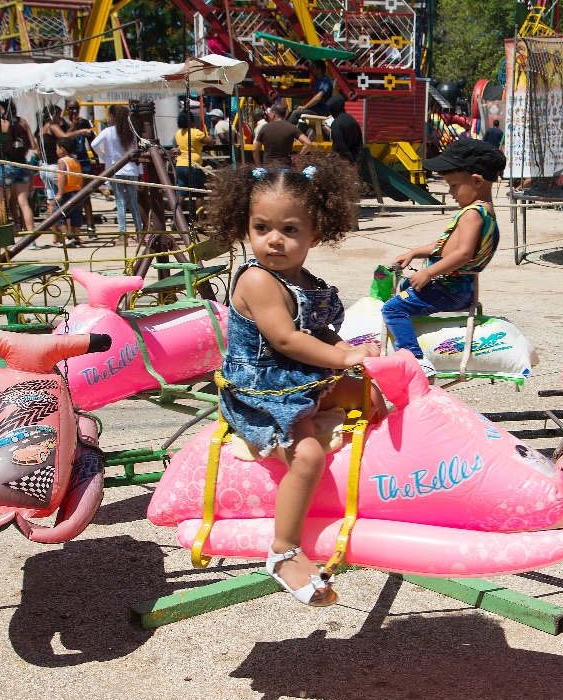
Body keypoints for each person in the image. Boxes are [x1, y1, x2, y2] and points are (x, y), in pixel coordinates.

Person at [202, 152, 385, 606]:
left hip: (302, 374)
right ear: (245, 228)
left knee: (378, 398)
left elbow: (318, 332)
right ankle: (283, 550)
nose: (274, 241)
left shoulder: (305, 280)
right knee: (305, 454)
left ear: (315, 233)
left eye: (290, 230)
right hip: (266, 388)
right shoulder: (257, 281)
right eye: (261, 228)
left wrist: (349, 353)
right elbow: (285, 340)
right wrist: (342, 359)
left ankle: (374, 500)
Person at [384, 139, 506, 378]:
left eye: (453, 185)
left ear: (476, 181)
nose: (450, 192)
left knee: (393, 309)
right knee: (408, 285)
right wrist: (414, 253)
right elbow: (448, 247)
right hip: (459, 290)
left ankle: (415, 359)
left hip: (449, 290)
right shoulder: (484, 210)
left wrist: (428, 272)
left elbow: (463, 253)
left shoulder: (472, 214)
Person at [91, 104, 144, 240]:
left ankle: (123, 232)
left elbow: (94, 144)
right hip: (132, 170)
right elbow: (136, 152)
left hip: (115, 169)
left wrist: (103, 157)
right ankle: (139, 231)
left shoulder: (108, 131)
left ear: (112, 116)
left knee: (120, 202)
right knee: (133, 203)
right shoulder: (131, 132)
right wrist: (141, 173)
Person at [0, 100, 36, 234]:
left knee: (3, 201)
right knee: (24, 202)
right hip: (22, 164)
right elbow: (33, 145)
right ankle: (30, 235)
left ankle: (3, 234)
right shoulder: (22, 122)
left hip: (5, 165)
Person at [65, 101, 97, 235]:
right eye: (71, 109)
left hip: (83, 160)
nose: (74, 111)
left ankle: (90, 224)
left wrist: (96, 157)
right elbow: (64, 139)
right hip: (69, 161)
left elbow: (93, 141)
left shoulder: (84, 122)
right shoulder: (63, 123)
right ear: (66, 109)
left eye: (76, 108)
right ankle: (72, 226)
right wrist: (74, 126)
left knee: (85, 194)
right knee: (69, 195)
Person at [254, 102, 312, 168]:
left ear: (273, 114)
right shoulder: (292, 128)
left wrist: (259, 166)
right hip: (286, 168)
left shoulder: (265, 128)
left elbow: (255, 150)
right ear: (285, 114)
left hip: (269, 168)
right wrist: (297, 156)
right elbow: (308, 144)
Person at [174, 108, 213, 200]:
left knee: (181, 194)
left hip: (180, 165)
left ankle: (177, 214)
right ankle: (200, 215)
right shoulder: (196, 133)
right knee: (199, 194)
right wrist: (211, 137)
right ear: (191, 121)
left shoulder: (178, 133)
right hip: (193, 165)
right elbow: (210, 143)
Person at [53, 138, 85, 248]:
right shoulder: (75, 161)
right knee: (76, 215)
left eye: (57, 148)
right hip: (77, 191)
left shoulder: (62, 161)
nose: (56, 150)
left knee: (58, 214)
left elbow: (62, 177)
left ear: (62, 149)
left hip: (67, 192)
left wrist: (60, 193)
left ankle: (67, 237)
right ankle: (76, 237)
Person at [287, 60, 334, 129]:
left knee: (295, 113)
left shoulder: (325, 81)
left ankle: (285, 132)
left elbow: (318, 97)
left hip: (322, 110)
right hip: (315, 109)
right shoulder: (318, 81)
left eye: (313, 68)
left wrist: (304, 107)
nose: (311, 70)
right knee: (292, 112)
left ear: (319, 70)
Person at [327, 95, 363, 164]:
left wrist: (349, 159)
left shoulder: (336, 124)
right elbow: (359, 141)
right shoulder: (353, 120)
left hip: (341, 162)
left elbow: (340, 144)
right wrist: (354, 157)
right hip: (354, 158)